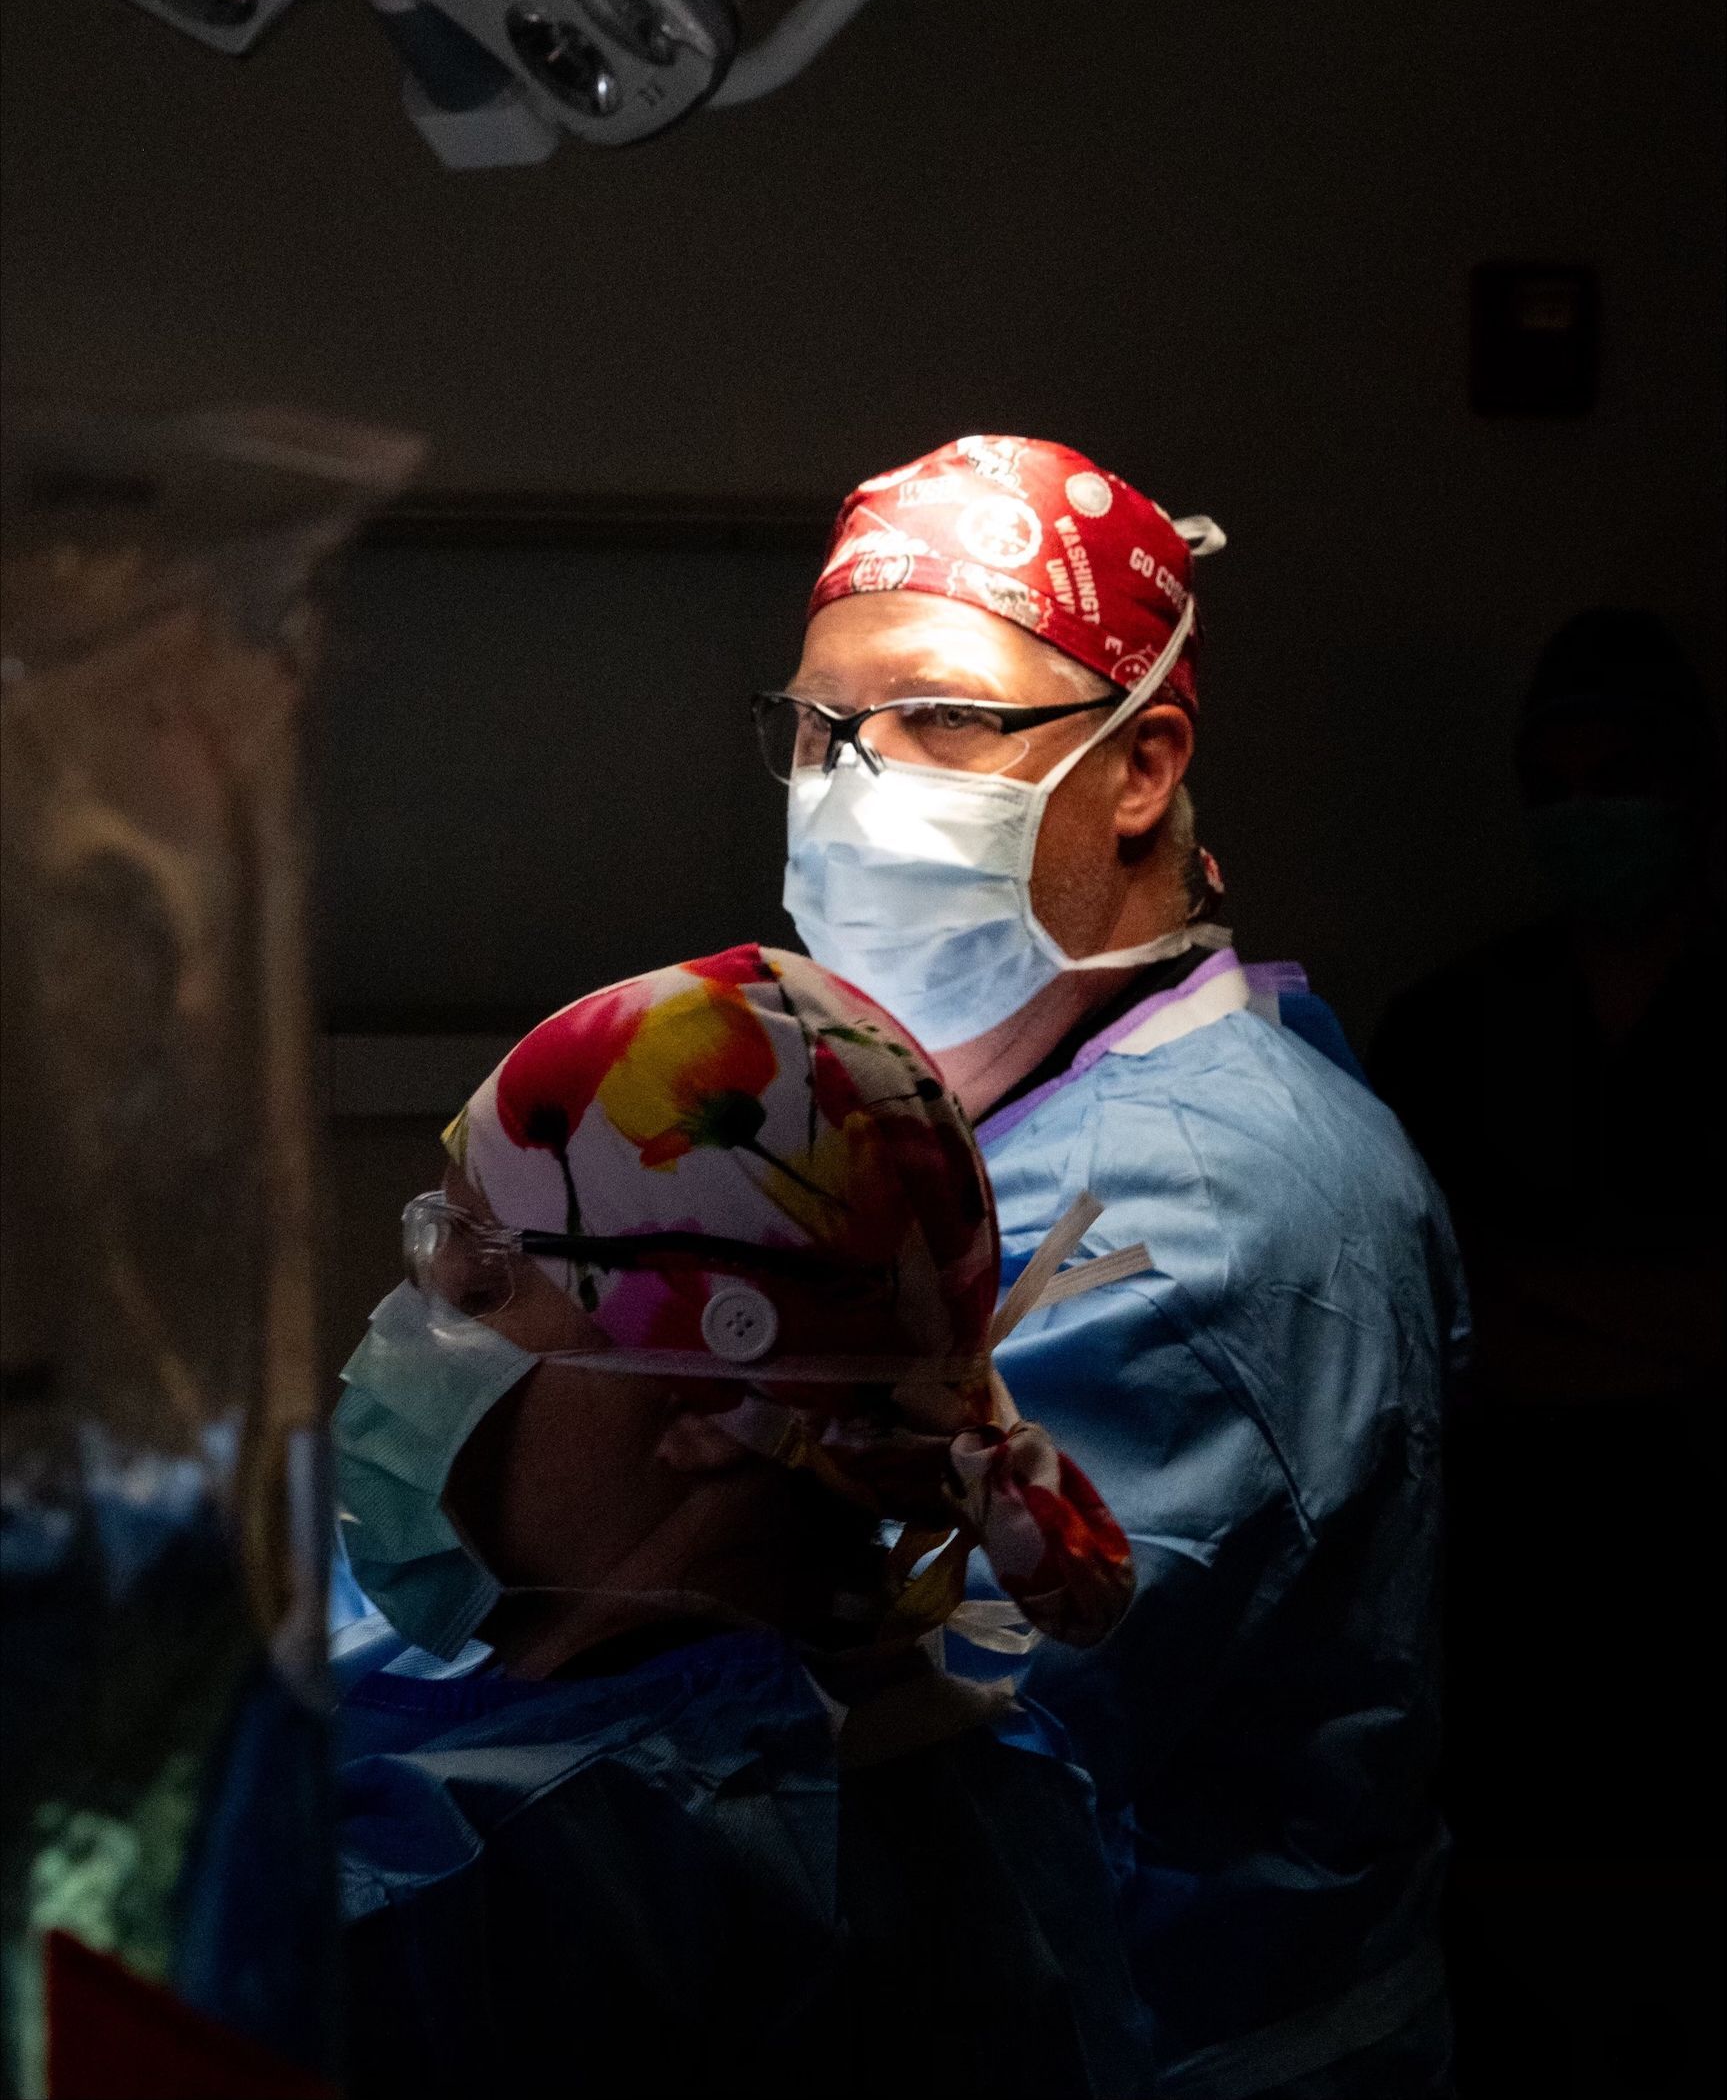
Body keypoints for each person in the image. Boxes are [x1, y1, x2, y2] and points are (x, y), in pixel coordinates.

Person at [756, 434, 1467, 2099]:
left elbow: (848, 1748)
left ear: (1140, 764)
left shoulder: (1190, 1208)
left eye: (940, 717)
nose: (855, 784)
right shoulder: (1025, 1105)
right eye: (817, 728)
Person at [330, 943, 1143, 2100]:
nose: (402, 1338)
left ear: (710, 1408)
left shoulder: (523, 1890)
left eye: (477, 1292)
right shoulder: (970, 1759)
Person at [1370, 610, 1723, 2097]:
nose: (1586, 816)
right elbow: (1431, 1326)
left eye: (1616, 779)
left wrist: (1530, 1290)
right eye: (1555, 786)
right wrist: (1648, 1326)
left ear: (1686, 784)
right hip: (1509, 1636)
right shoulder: (1453, 1026)